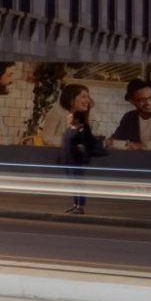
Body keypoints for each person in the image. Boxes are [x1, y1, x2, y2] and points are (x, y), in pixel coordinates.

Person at [57, 83, 102, 215]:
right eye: (83, 97)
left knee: (78, 182)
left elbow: (85, 139)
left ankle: (80, 206)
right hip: (69, 157)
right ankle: (75, 204)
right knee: (73, 182)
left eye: (87, 97)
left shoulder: (84, 120)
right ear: (72, 100)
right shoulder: (65, 116)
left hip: (77, 158)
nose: (87, 100)